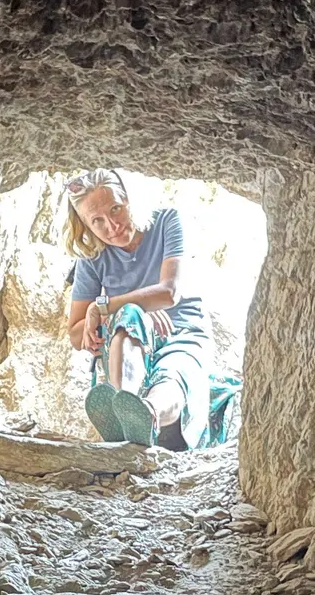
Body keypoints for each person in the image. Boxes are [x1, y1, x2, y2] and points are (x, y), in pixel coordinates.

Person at [62, 169, 214, 449]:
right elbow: (75, 333)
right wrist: (125, 313)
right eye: (97, 221)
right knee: (129, 318)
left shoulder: (167, 220)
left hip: (181, 332)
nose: (111, 225)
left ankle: (146, 413)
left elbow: (169, 292)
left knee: (173, 372)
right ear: (85, 226)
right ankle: (124, 406)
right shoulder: (93, 257)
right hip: (129, 345)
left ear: (130, 199)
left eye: (116, 209)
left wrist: (104, 306)